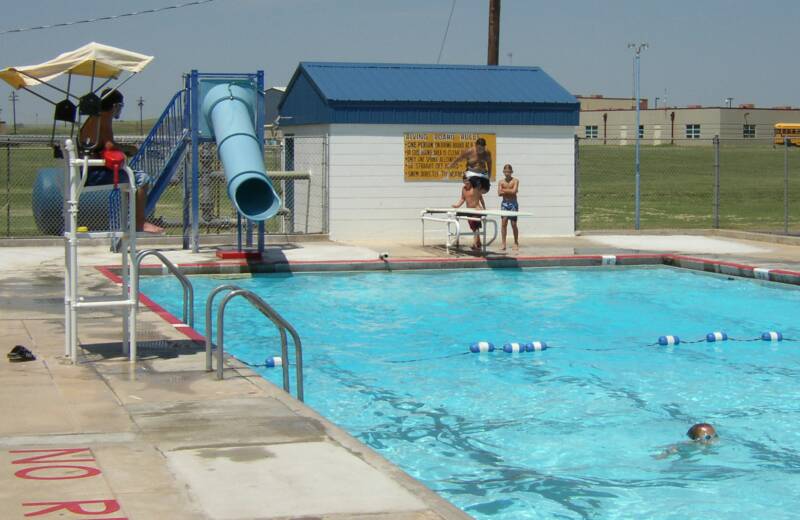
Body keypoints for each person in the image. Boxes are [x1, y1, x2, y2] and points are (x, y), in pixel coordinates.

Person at [78, 88, 163, 233]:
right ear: (115, 106)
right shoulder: (102, 119)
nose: (120, 111)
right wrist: (127, 149)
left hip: (87, 170)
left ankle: (131, 218)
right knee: (143, 179)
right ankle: (139, 222)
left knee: (133, 179)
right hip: (93, 174)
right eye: (121, 107)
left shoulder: (94, 119)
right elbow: (109, 146)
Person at [452, 174, 486, 250]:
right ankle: (478, 243)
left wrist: (484, 207)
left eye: (468, 181)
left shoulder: (475, 188)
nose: (467, 183)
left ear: (470, 181)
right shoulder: (463, 189)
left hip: (477, 210)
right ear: (463, 181)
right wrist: (457, 205)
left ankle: (474, 244)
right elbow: (462, 199)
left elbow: (481, 197)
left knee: (475, 226)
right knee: (473, 228)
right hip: (469, 210)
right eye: (465, 181)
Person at [497, 163, 519, 251]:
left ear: (511, 172)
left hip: (513, 203)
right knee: (503, 223)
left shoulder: (515, 181)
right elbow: (499, 193)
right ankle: (503, 243)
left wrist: (504, 190)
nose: (507, 173)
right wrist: (510, 191)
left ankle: (516, 242)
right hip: (504, 204)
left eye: (509, 171)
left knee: (513, 224)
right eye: (505, 171)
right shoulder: (501, 182)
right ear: (503, 172)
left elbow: (514, 191)